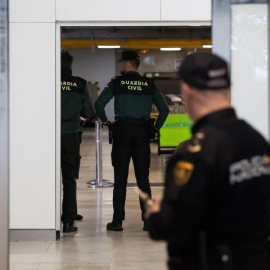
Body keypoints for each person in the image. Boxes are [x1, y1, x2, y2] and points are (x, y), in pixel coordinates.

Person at [146, 52, 270, 270]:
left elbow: (172, 226)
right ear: (227, 87)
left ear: (186, 90)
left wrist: (157, 214)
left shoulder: (195, 153)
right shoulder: (256, 140)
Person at [94, 51, 169, 231]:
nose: (119, 66)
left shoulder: (116, 83)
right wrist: (155, 128)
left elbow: (98, 104)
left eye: (121, 63)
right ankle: (148, 220)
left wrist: (105, 121)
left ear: (128, 64)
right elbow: (164, 109)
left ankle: (117, 221)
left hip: (122, 132)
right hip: (142, 132)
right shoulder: (149, 84)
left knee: (120, 178)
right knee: (143, 178)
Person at [61, 49, 94, 233]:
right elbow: (88, 111)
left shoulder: (47, 80)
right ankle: (68, 220)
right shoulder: (80, 83)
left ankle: (45, 217)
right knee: (69, 177)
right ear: (71, 65)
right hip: (71, 135)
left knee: (48, 177)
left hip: (50, 137)